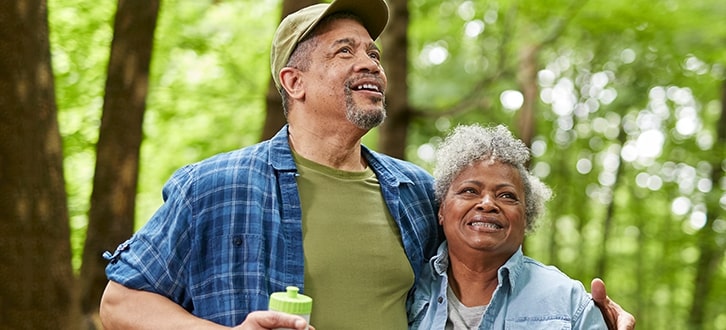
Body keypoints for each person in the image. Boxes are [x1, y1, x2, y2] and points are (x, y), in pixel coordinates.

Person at [99, 0, 635, 329]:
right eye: (344, 52)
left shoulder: (418, 192)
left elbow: (490, 276)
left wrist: (582, 316)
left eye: (374, 53)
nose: (369, 63)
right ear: (294, 82)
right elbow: (120, 303)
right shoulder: (213, 186)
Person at [408, 124, 609, 329]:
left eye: (507, 195)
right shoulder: (404, 289)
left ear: (526, 217)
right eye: (469, 190)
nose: (487, 204)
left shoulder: (571, 304)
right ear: (442, 210)